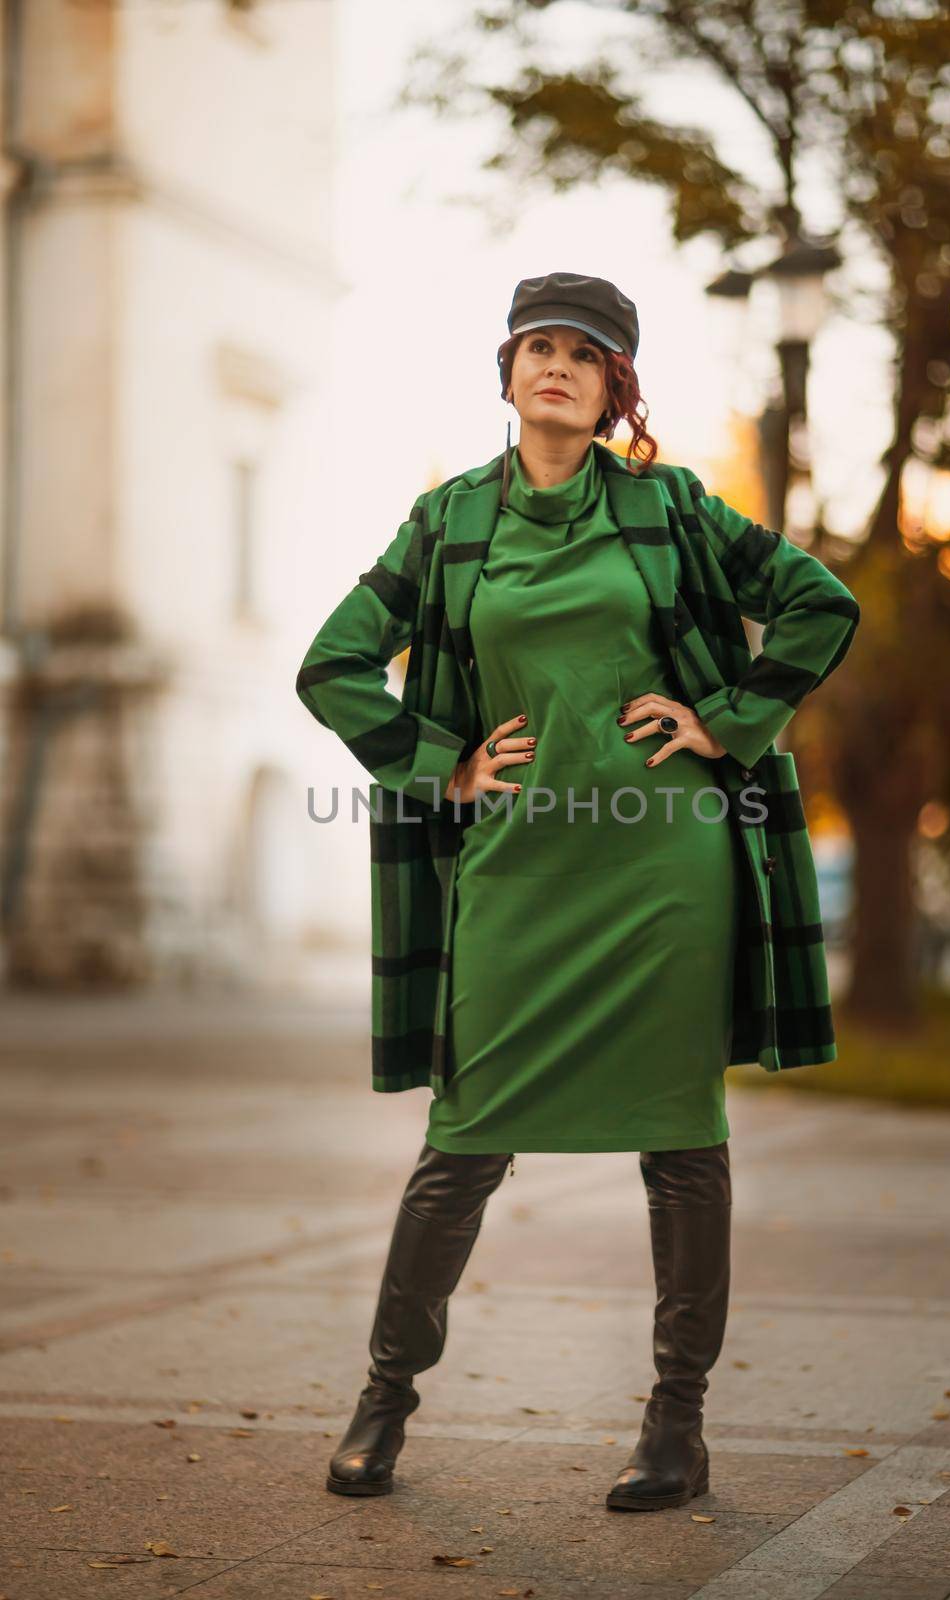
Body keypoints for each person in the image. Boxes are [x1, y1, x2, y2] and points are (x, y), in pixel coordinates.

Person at [295, 271, 860, 1512]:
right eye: (537, 347)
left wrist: (726, 723)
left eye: (585, 355)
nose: (557, 366)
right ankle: (384, 1399)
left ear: (614, 390)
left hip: (665, 862)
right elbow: (333, 661)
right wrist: (434, 766)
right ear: (504, 375)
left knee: (679, 1140)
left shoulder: (667, 506)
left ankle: (675, 1425)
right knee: (462, 1139)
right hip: (515, 868)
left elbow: (819, 604)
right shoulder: (446, 521)